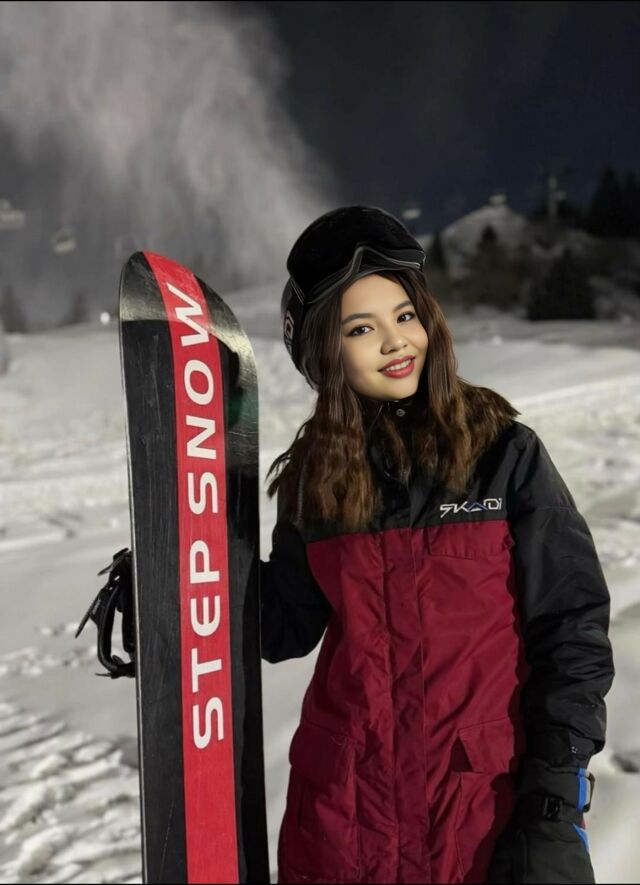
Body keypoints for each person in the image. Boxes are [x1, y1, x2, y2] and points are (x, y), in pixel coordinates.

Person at [259, 205, 614, 885]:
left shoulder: (502, 457)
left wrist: (553, 804)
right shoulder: (315, 481)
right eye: (361, 328)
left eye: (405, 315)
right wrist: (183, 582)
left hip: (481, 816)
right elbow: (286, 627)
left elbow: (571, 630)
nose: (396, 341)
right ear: (323, 354)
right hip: (342, 823)